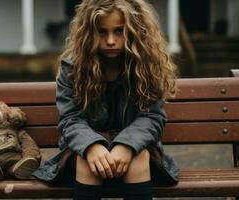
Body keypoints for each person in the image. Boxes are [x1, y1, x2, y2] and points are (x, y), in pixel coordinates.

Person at [33, 0, 179, 199]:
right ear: (89, 33)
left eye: (119, 31)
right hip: (87, 156)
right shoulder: (73, 69)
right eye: (102, 32)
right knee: (85, 160)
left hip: (136, 154)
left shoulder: (146, 66)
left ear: (136, 30)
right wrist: (91, 146)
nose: (110, 41)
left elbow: (152, 116)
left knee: (139, 156)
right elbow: (70, 119)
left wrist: (126, 145)